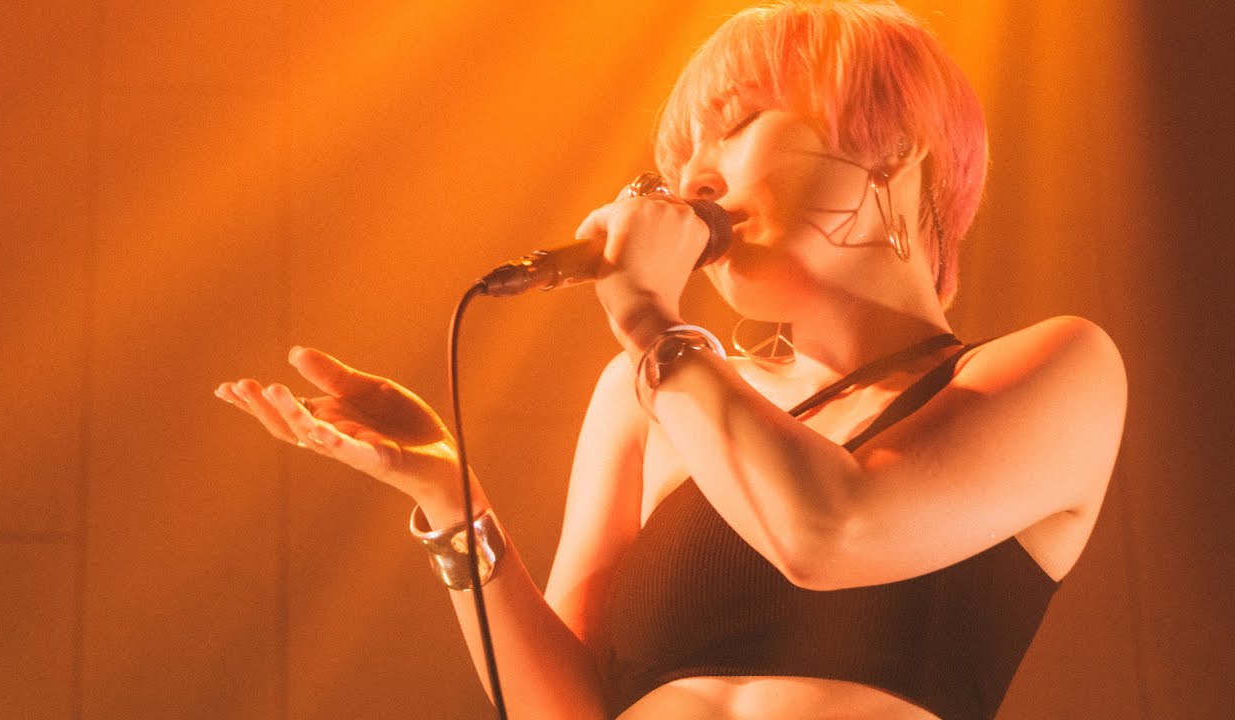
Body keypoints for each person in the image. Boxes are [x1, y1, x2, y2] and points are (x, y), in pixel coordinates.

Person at [214, 2, 1126, 718]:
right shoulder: (645, 395)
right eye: (683, 154)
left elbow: (834, 531)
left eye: (738, 124)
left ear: (893, 146)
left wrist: (653, 322)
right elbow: (565, 710)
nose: (691, 178)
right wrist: (455, 504)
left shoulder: (1058, 369)